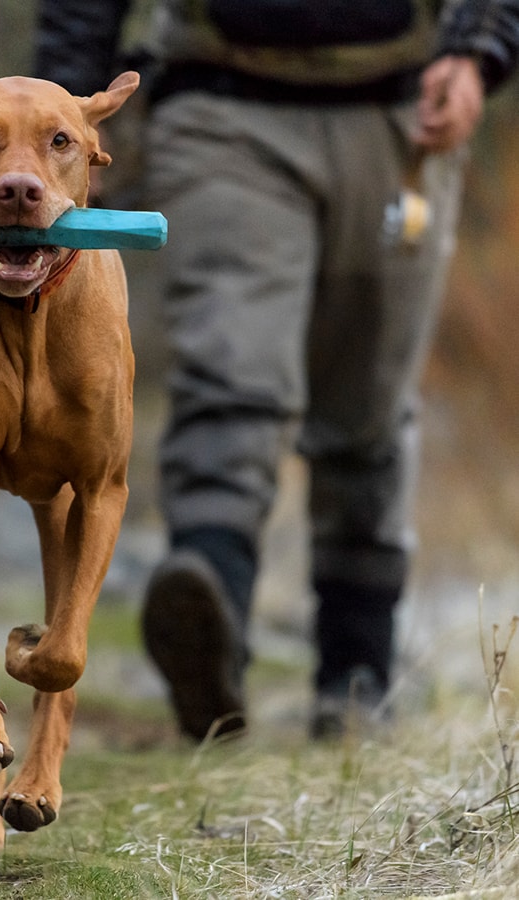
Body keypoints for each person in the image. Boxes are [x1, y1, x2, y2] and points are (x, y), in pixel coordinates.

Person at [33, 1, 519, 739]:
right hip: (223, 113)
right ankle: (210, 618)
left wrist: (479, 48)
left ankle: (355, 678)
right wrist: (58, 119)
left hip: (403, 110)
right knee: (232, 373)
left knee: (370, 402)